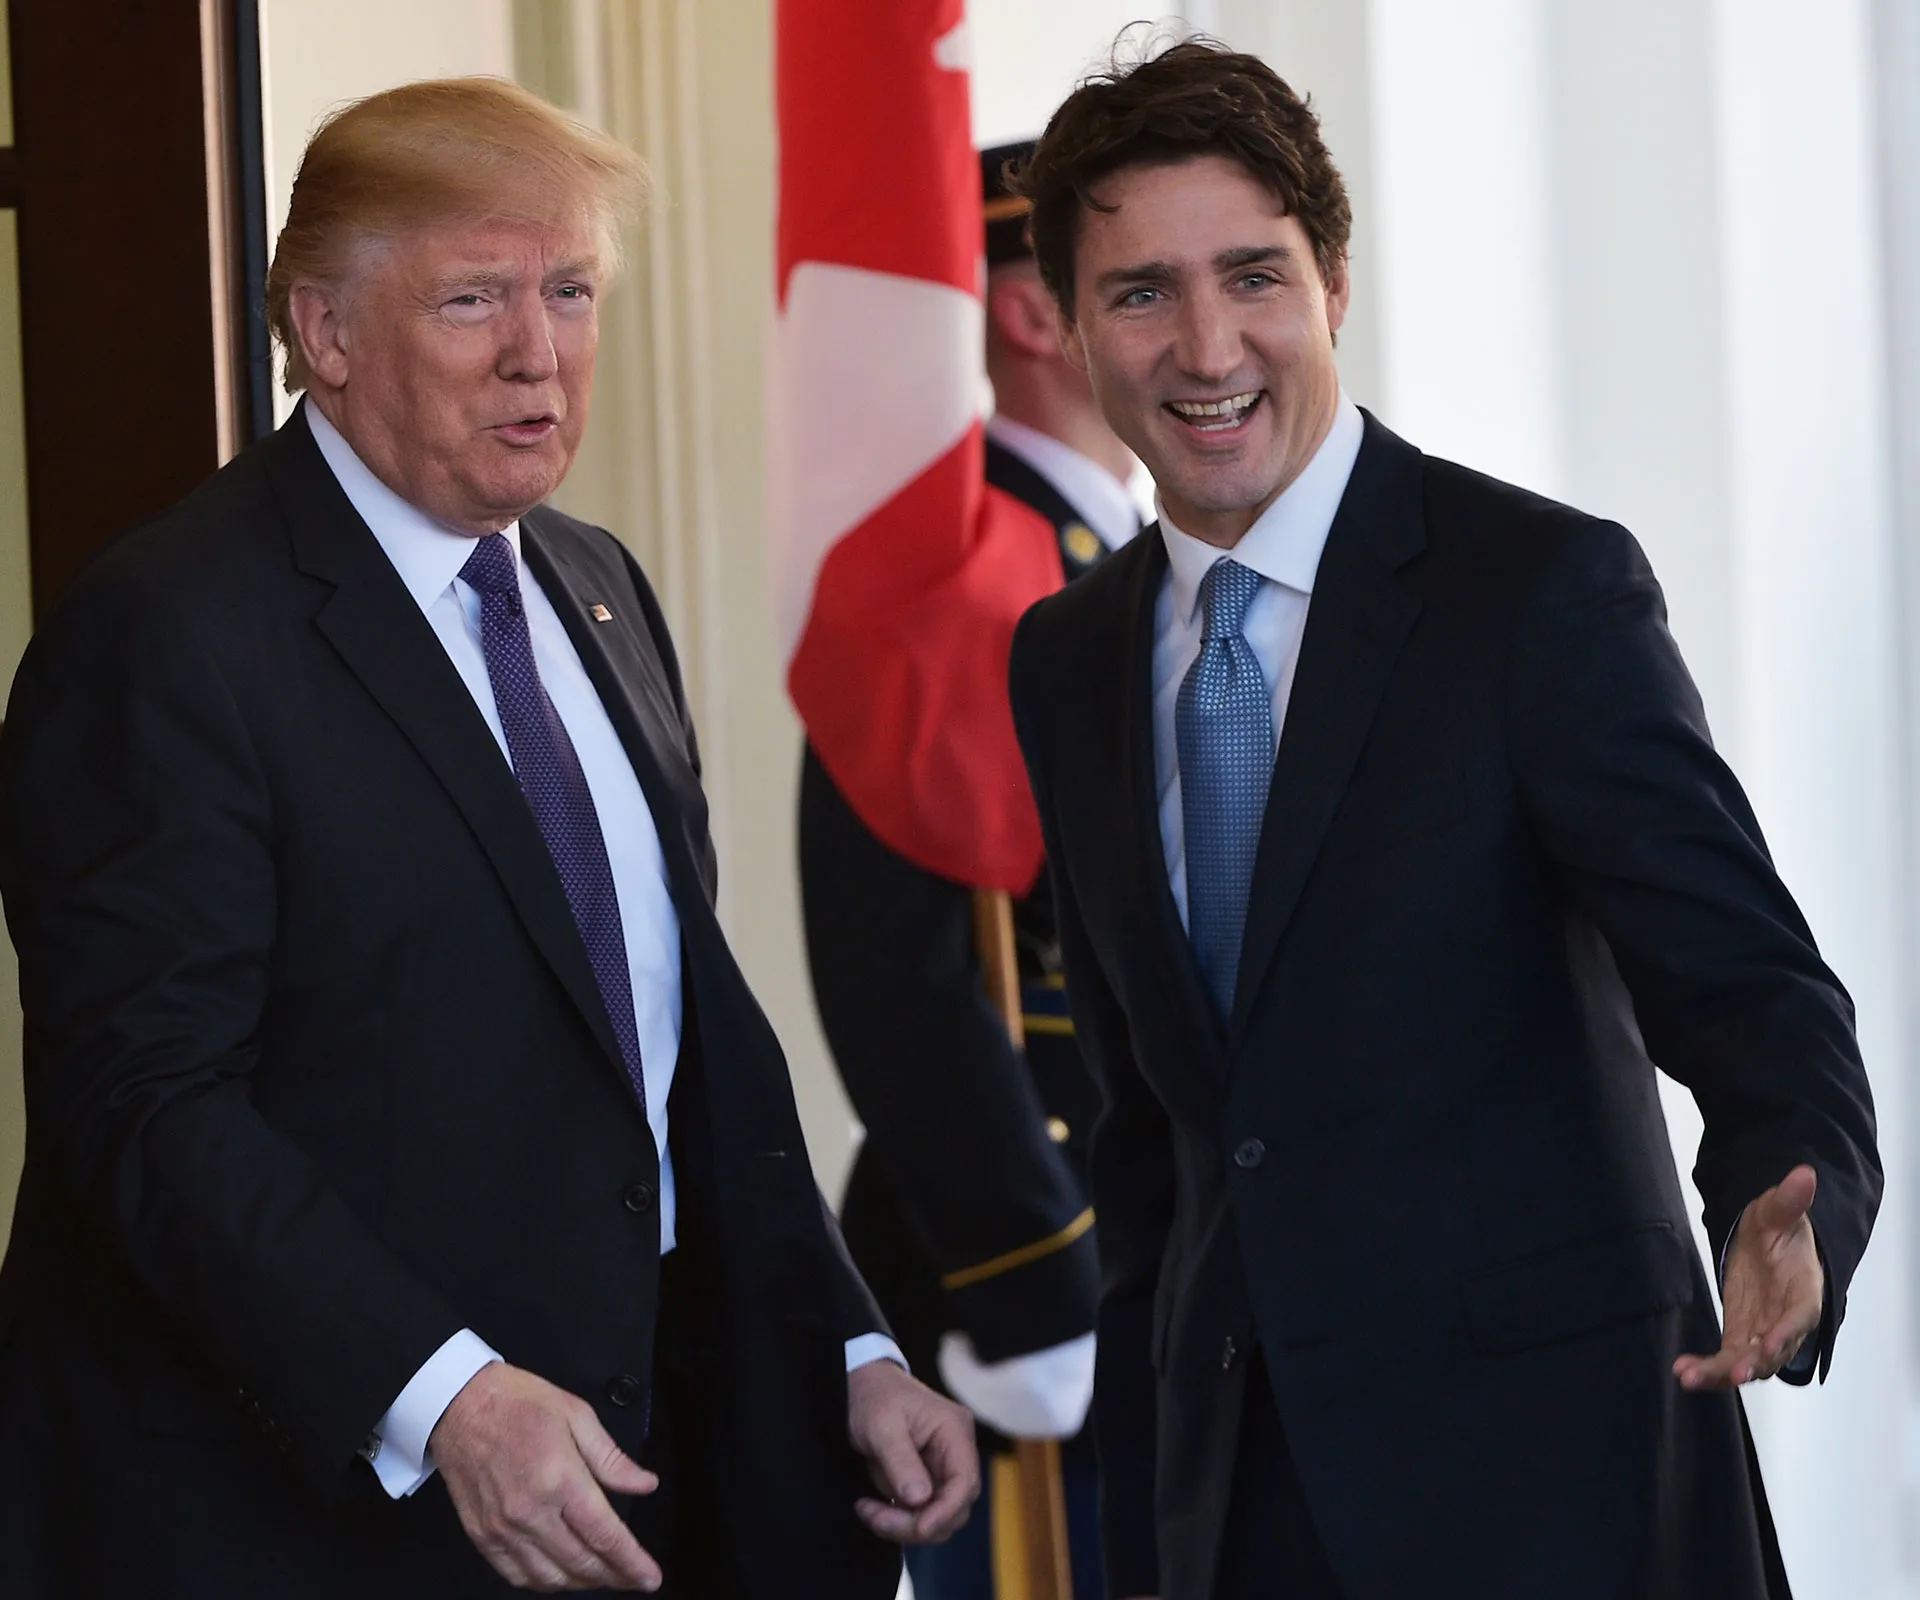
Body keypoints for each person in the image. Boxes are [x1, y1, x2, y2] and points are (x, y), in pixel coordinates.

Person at [0, 78, 975, 1599]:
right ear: (323, 335)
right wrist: (442, 1390)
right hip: (311, 1517)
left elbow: (678, 1041)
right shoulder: (170, 634)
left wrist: (839, 1340)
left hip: (627, 1479)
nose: (541, 352)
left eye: (570, 292)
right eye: (473, 300)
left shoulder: (596, 588)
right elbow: (145, 1107)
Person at [1004, 39, 1881, 1600]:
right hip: (1236, 1509)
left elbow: (1753, 991)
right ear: (1071, 326)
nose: (1209, 344)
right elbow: (1151, 1134)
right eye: (1141, 291)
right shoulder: (1065, 659)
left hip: (1562, 1492)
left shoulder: (1536, 594)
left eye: (1253, 276)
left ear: (1335, 284)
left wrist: (1781, 1193)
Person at [799, 142, 1140, 1600]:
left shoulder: (1156, 550)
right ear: (1026, 311)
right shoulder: (965, 571)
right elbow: (900, 966)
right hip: (1028, 1272)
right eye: (1135, 282)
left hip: (1184, 1253)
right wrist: (1037, 1277)